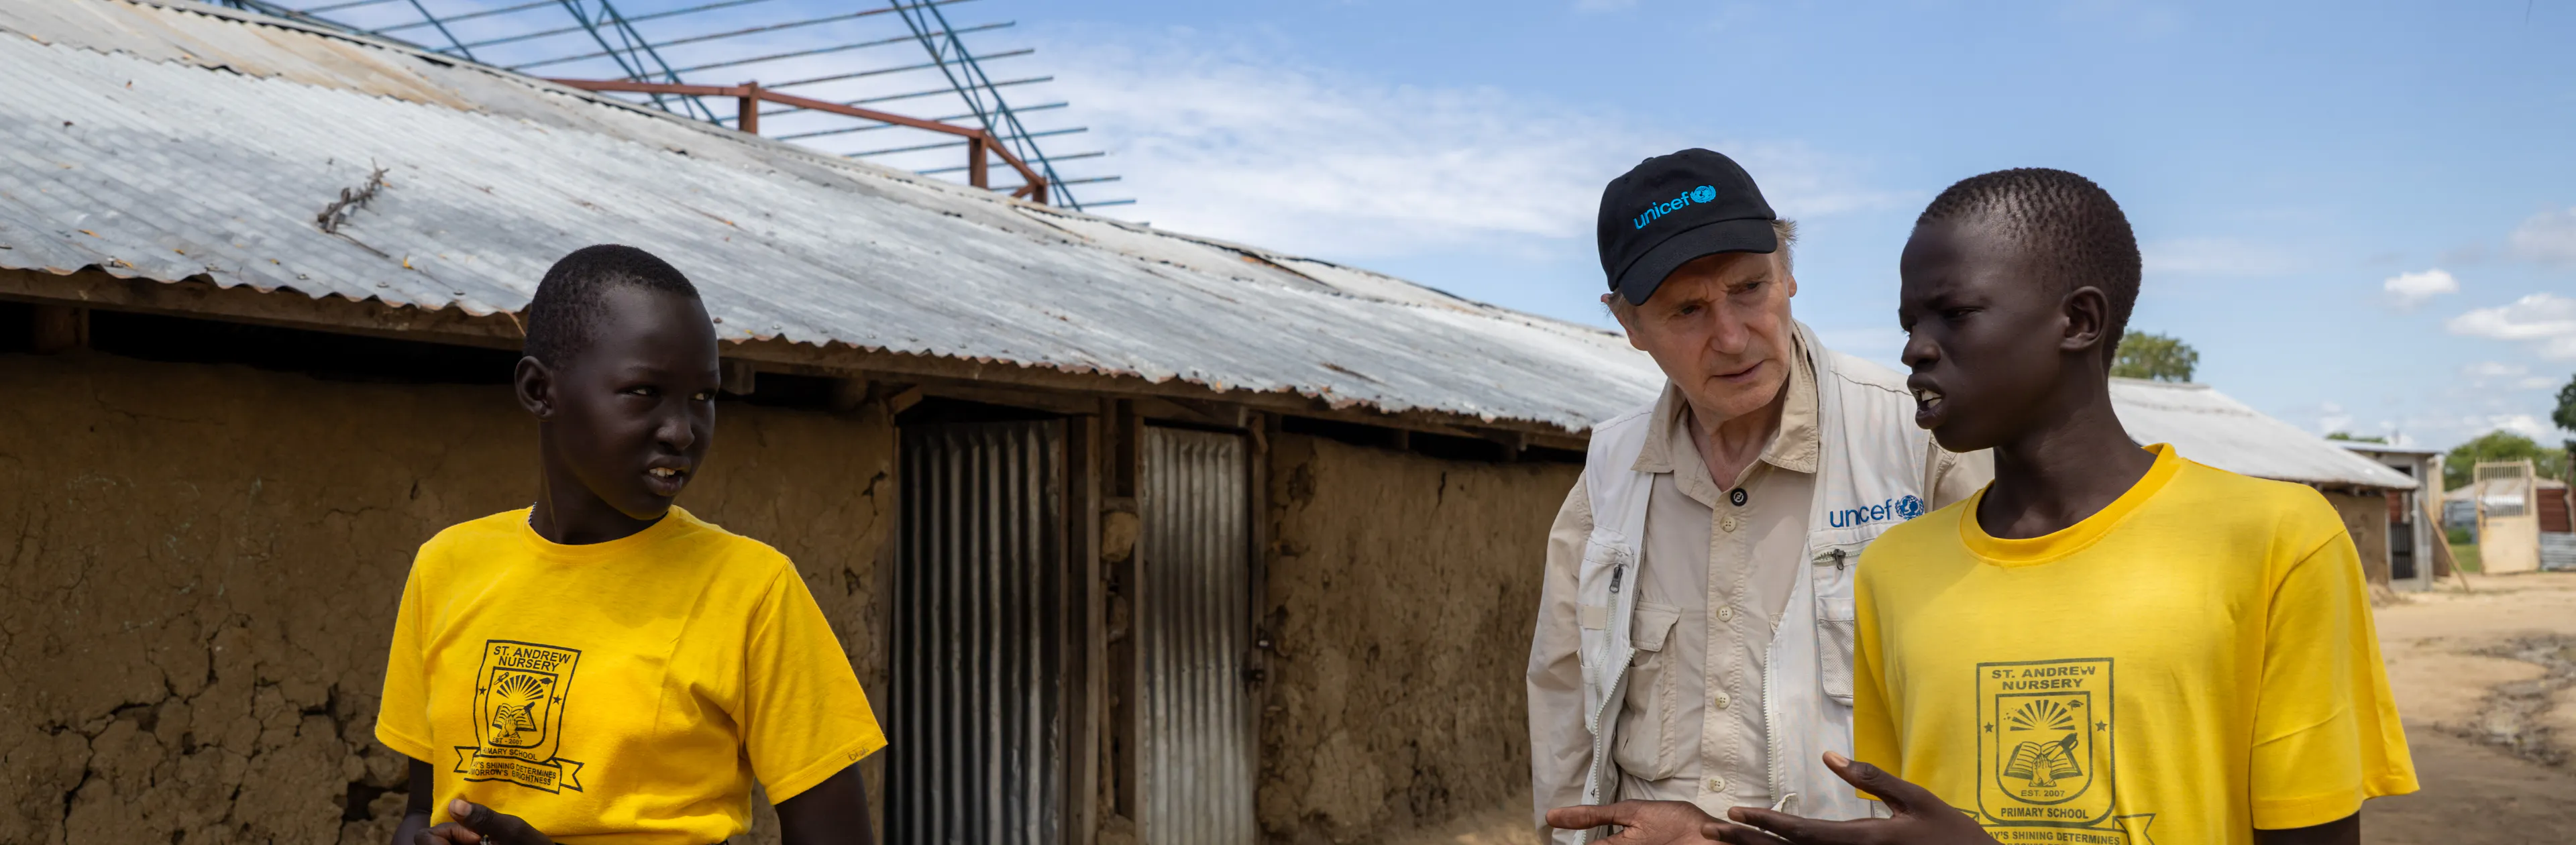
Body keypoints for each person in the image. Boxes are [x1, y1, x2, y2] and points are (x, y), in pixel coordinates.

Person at [1549, 169, 2418, 845]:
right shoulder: (1900, 566)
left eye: (1954, 314)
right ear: (1628, 323)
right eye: (1687, 309)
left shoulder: (2273, 542)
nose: (1914, 349)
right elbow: (1887, 820)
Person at [1527, 149, 1992, 844]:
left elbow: (2004, 686)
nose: (1732, 336)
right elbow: (1565, 696)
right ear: (1628, 326)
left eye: (1749, 288)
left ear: (1788, 274)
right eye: (1687, 309)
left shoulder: (1922, 439)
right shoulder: (1609, 473)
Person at [375, 245, 885, 845]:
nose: (682, 431)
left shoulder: (753, 591)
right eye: (645, 392)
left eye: (704, 397)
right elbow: (419, 814)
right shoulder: (448, 566)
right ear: (540, 390)